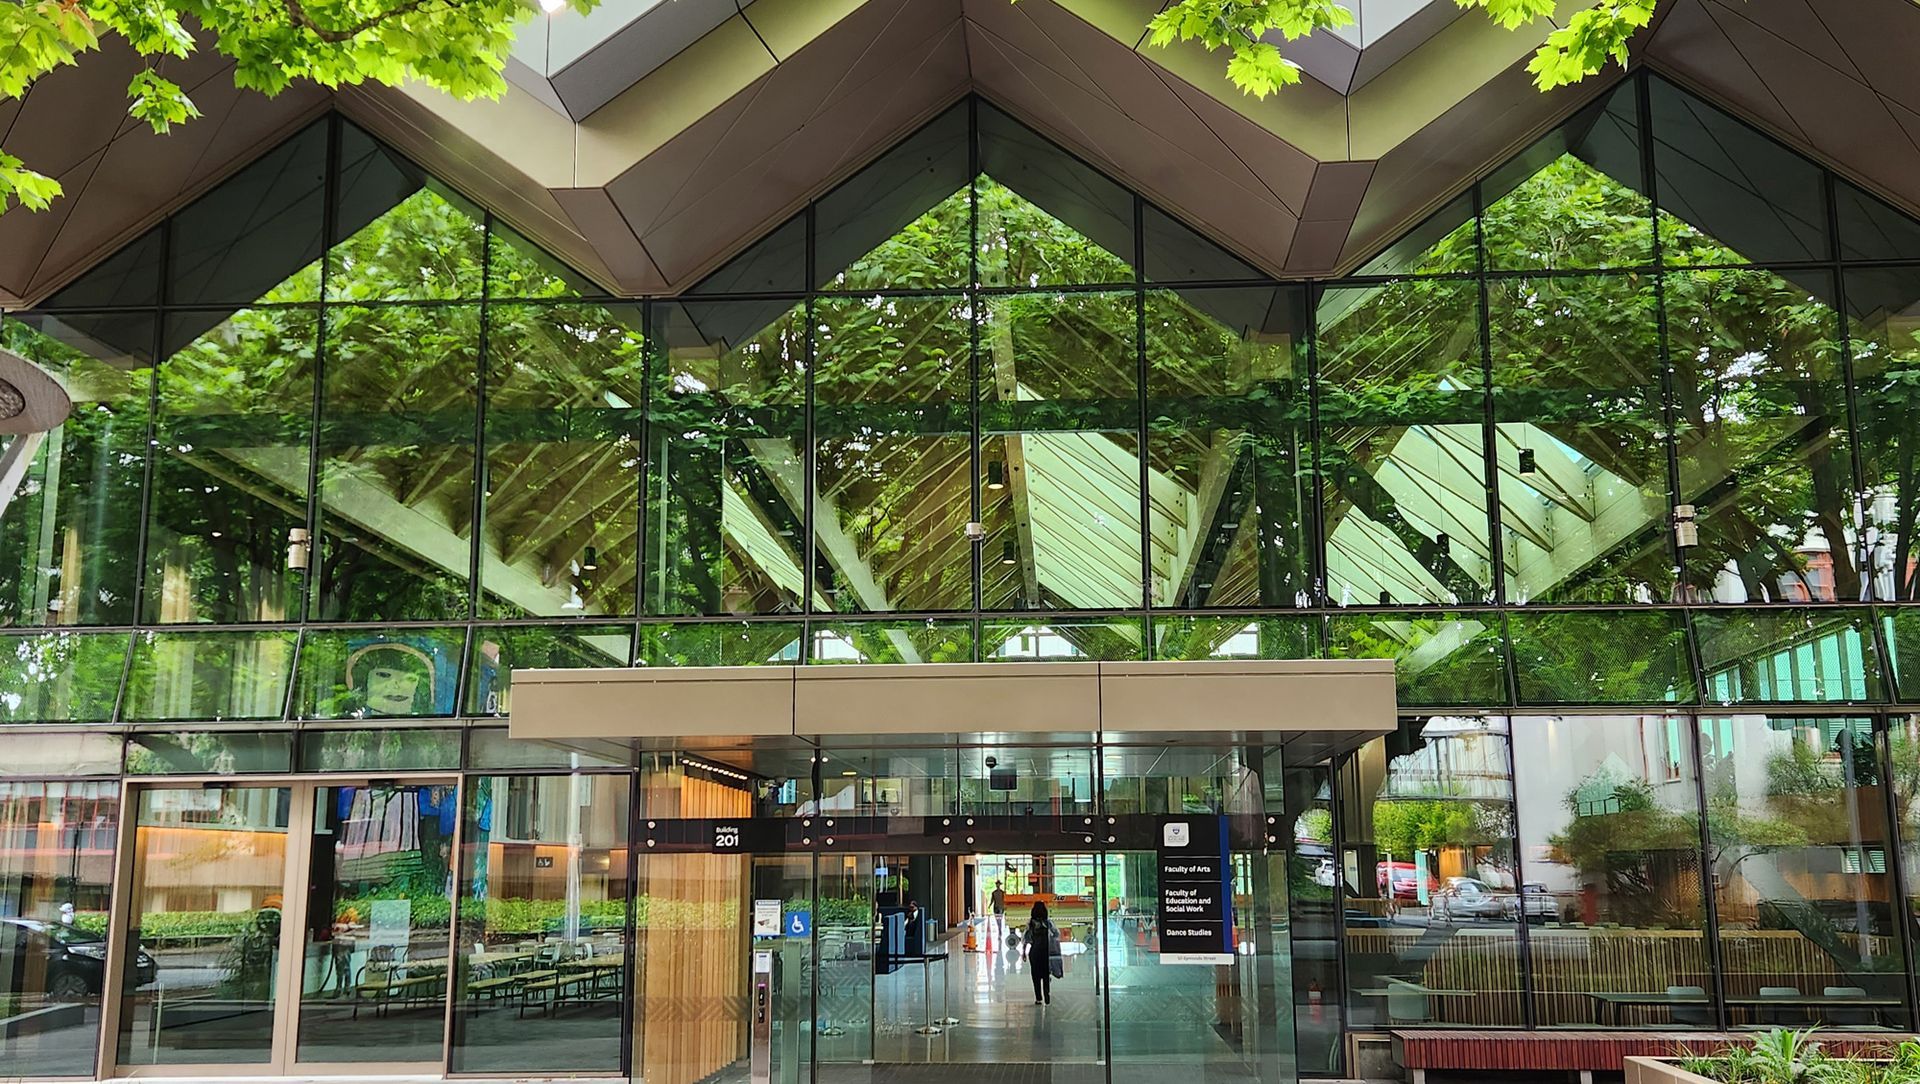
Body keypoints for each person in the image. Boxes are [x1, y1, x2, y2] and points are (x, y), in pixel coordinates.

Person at [1025, 901, 1057, 1005]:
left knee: (1036, 975)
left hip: (1034, 952)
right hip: (1046, 951)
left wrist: (1023, 952)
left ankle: (1038, 998)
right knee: (1046, 974)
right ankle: (1047, 997)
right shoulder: (1048, 923)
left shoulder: (1031, 923)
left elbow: (1026, 938)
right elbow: (1056, 934)